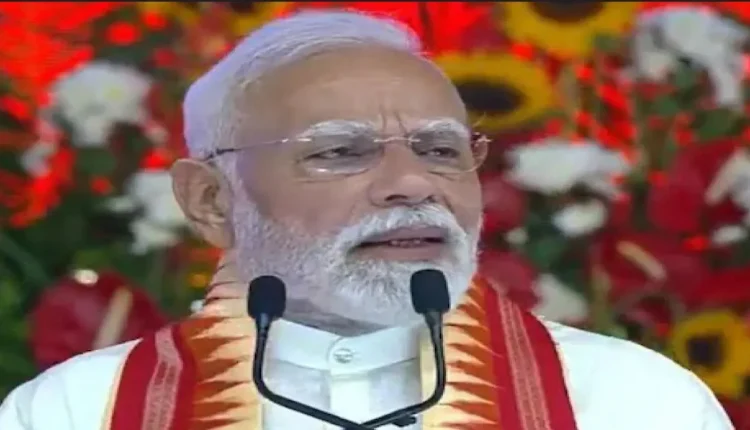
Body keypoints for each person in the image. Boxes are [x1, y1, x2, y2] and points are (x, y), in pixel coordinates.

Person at [0, 10, 734, 430]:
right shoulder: (76, 411)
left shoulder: (631, 401)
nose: (412, 184)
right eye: (339, 151)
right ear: (210, 200)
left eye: (440, 149)